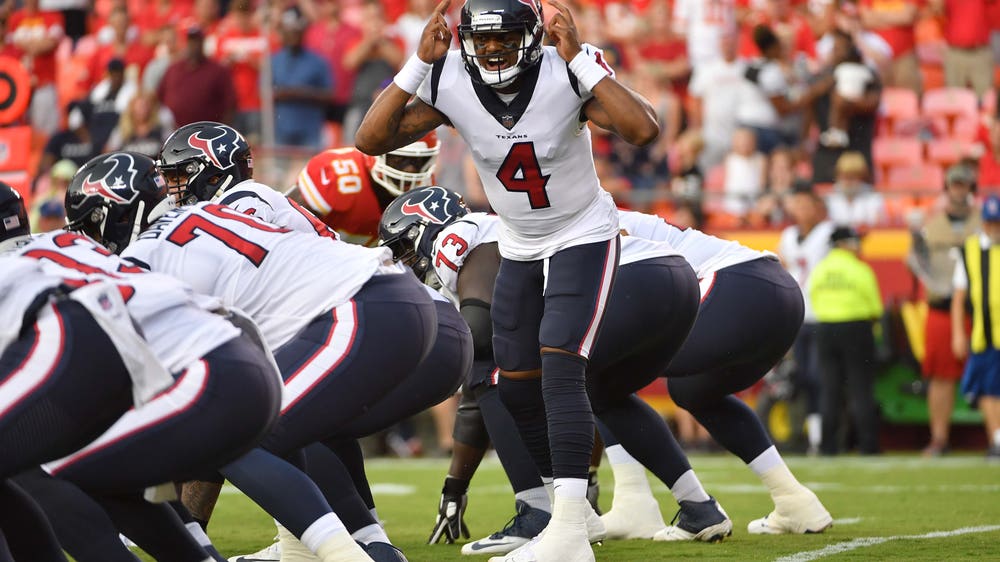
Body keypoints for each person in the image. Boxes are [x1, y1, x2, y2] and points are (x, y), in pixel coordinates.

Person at [354, 0, 660, 558]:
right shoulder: (448, 77)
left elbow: (643, 129)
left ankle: (568, 531)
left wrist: (581, 60)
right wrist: (417, 65)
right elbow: (370, 140)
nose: (492, 49)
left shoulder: (567, 67)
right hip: (517, 240)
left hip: (580, 231)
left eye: (505, 37)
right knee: (510, 380)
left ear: (534, 33)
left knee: (561, 366)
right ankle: (569, 512)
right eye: (483, 39)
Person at [378, 187, 704, 555]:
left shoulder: (464, 237)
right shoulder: (491, 232)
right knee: (601, 393)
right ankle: (697, 506)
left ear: (428, 227)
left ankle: (543, 510)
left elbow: (480, 342)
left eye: (405, 248)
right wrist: (456, 484)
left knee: (503, 366)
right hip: (670, 280)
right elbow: (477, 391)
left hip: (625, 280)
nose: (408, 263)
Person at [0, 180, 284, 562]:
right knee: (95, 475)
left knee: (51, 468)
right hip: (243, 364)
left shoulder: (15, 272)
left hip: (191, 377)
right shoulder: (69, 247)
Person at [908, 164, 980, 456]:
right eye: (955, 184)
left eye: (963, 185)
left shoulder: (986, 221)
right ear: (947, 188)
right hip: (941, 307)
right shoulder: (931, 225)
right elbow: (913, 260)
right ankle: (939, 438)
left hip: (980, 309)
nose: (959, 190)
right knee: (940, 377)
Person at [808, 225, 884, 455]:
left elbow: (813, 296)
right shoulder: (860, 270)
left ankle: (828, 446)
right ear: (843, 244)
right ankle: (868, 445)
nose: (858, 245)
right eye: (854, 241)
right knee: (860, 388)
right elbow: (875, 308)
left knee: (829, 389)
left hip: (825, 328)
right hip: (856, 327)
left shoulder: (819, 270)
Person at [290, 132, 441, 245]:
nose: (410, 171)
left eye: (419, 161)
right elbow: (286, 226)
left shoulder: (425, 187)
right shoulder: (338, 174)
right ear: (377, 152)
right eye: (398, 159)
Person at [779, 183, 835, 454]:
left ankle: (825, 437)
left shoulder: (828, 234)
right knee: (802, 377)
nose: (801, 210)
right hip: (796, 315)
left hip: (822, 312)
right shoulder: (788, 236)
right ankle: (812, 436)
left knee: (819, 376)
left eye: (806, 204)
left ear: (817, 207)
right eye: (797, 204)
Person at [951, 194, 1000, 461]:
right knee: (985, 389)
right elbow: (959, 297)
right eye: (991, 222)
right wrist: (958, 332)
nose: (994, 228)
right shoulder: (969, 250)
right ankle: (996, 438)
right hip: (984, 332)